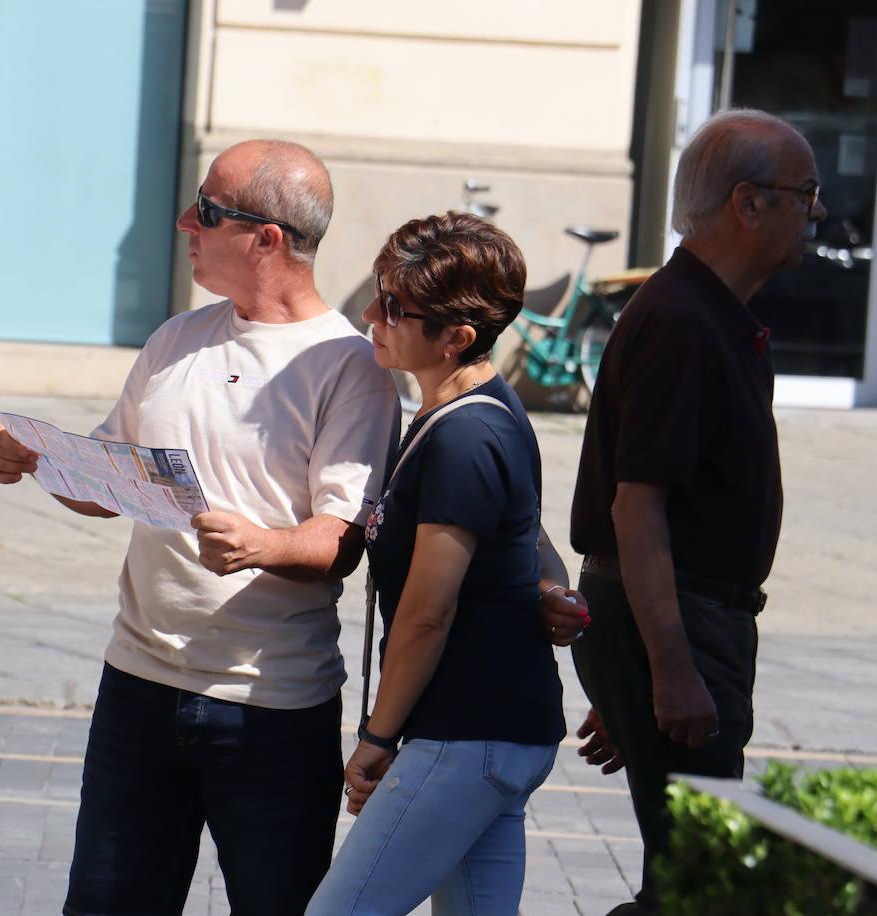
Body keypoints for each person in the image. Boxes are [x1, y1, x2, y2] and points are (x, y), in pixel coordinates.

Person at [0, 140, 400, 915]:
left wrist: (264, 546)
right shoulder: (177, 339)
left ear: (266, 238)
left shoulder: (348, 365)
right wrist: (34, 459)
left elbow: (341, 540)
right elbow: (111, 484)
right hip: (138, 687)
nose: (185, 223)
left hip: (269, 706)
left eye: (205, 210)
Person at [567, 108, 824, 915]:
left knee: (687, 877)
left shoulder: (714, 313)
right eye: (804, 193)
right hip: (681, 621)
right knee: (701, 882)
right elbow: (638, 510)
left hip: (676, 622)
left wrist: (646, 665)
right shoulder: (683, 319)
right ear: (748, 203)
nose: (816, 211)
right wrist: (668, 668)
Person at [305, 212, 573, 915]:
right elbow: (526, 532)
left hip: (466, 732)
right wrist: (551, 582)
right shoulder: (478, 410)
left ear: (457, 338)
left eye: (393, 306)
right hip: (499, 729)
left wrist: (376, 736)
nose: (370, 313)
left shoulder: (465, 437)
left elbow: (428, 613)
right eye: (377, 292)